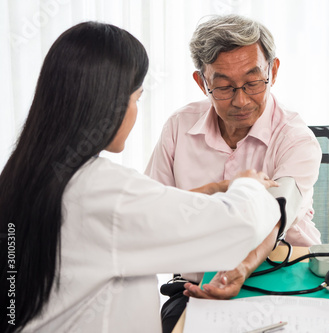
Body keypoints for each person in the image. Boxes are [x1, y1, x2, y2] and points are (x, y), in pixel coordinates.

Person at [0, 22, 281, 333]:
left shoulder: (26, 174)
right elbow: (236, 229)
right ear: (107, 104)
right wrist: (249, 185)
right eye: (136, 98)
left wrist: (211, 189)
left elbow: (154, 209)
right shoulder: (105, 192)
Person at [145, 14, 322, 331]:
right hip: (197, 287)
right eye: (224, 87)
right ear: (203, 83)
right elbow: (151, 212)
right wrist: (216, 189)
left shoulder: (296, 138)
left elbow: (278, 212)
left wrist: (241, 269)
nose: (241, 100)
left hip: (288, 277)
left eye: (253, 83)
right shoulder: (178, 127)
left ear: (273, 71)